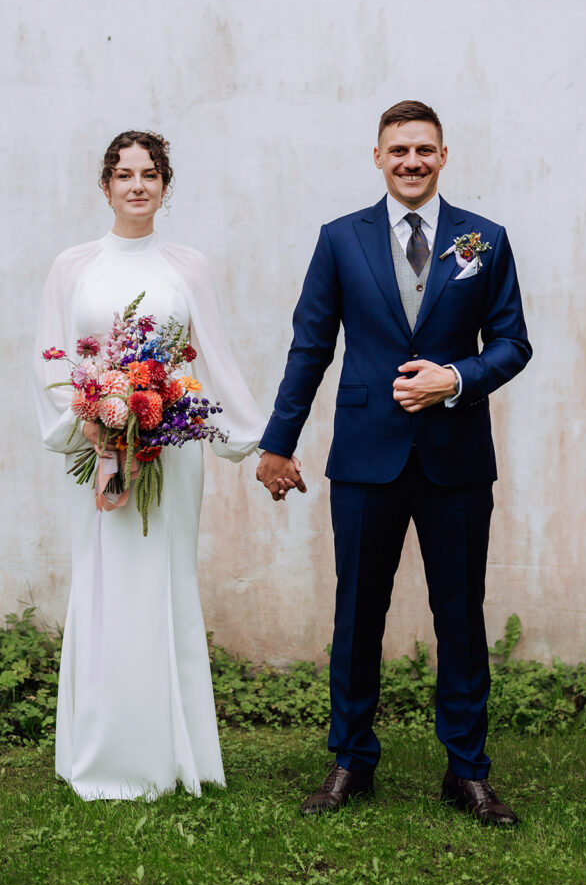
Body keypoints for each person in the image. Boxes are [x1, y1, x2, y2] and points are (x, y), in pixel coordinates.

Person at [256, 101, 532, 826]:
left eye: (424, 150)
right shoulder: (339, 238)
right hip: (364, 455)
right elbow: (311, 345)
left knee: (460, 614)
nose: (412, 161)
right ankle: (351, 760)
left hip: (456, 458)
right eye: (399, 150)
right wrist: (278, 442)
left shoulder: (484, 238)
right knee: (357, 613)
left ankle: (467, 771)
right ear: (377, 157)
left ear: (443, 156)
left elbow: (512, 343)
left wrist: (457, 377)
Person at [34, 130, 267, 800]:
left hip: (171, 447)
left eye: (150, 174)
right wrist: (87, 419)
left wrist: (257, 440)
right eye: (124, 174)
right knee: (104, 581)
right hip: (97, 447)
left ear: (165, 185)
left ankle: (173, 754)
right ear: (105, 185)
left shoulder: (188, 266)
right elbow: (51, 354)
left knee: (164, 580)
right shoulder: (72, 265)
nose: (137, 186)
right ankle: (100, 752)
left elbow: (213, 357)